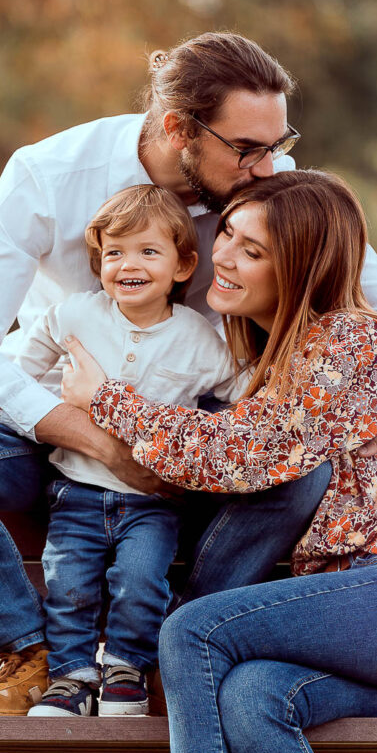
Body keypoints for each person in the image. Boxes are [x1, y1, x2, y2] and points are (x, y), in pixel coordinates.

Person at [0, 32, 377, 717]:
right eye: (246, 147)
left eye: (278, 142)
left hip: (207, 443)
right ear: (176, 128)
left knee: (299, 465)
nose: (268, 164)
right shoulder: (48, 176)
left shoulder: (267, 191)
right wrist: (94, 438)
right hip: (63, 429)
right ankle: (26, 654)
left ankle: (167, 653)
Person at [61, 169, 377, 753]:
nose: (224, 256)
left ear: (300, 270)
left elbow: (239, 454)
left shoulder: (350, 341)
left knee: (191, 632)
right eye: (228, 233)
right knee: (252, 695)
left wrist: (105, 398)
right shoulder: (277, 359)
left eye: (252, 250)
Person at [19, 185, 241, 717]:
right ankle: (70, 678)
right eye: (114, 253)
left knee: (141, 582)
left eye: (147, 251)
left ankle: (126, 670)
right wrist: (48, 396)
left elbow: (244, 395)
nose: (127, 265)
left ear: (184, 264)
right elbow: (19, 374)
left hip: (153, 502)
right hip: (76, 488)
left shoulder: (199, 339)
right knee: (68, 583)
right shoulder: (74, 315)